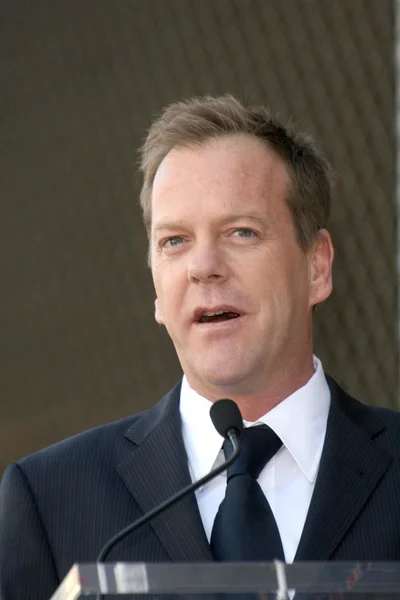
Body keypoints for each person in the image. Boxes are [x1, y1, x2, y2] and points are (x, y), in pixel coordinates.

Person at [1, 94, 400, 600]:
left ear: (317, 266)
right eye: (175, 241)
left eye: (241, 232)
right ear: (156, 288)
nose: (203, 265)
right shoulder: (50, 499)